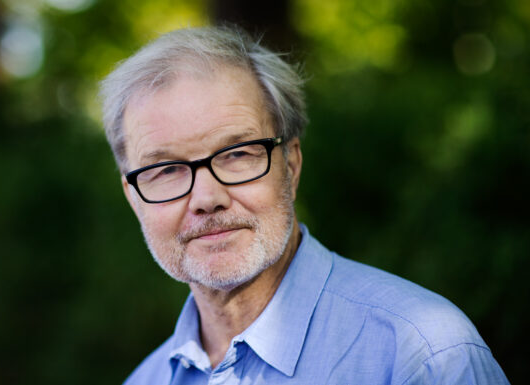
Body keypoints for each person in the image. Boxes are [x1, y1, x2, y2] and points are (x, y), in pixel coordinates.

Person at [99, 26, 509, 384]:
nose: (207, 199)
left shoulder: (421, 356)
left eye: (238, 154)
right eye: (167, 169)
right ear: (133, 196)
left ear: (290, 166)